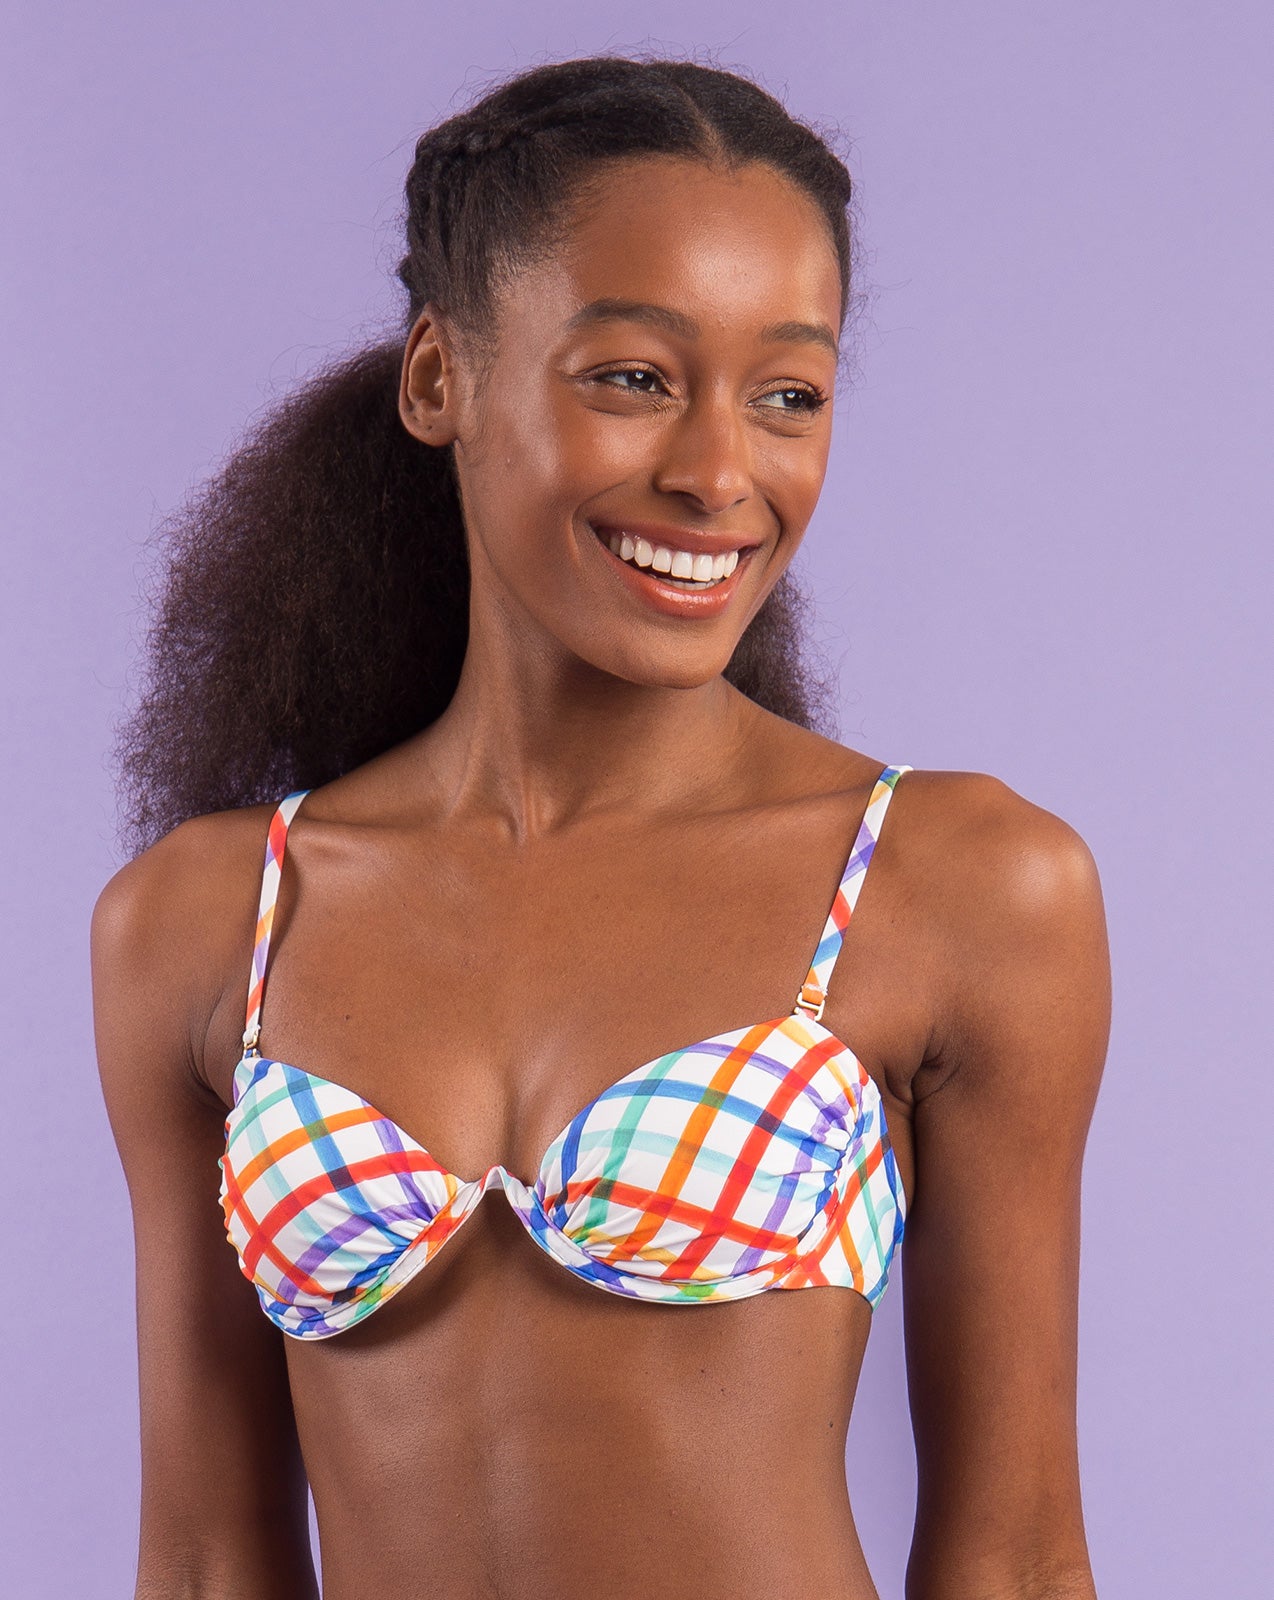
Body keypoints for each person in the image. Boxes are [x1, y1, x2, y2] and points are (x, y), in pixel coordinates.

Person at [91, 52, 1110, 1600]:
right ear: (438, 379)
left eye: (787, 396)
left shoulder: (955, 884)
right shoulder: (207, 917)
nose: (718, 473)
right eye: (632, 378)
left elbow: (1017, 1556)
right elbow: (205, 1559)